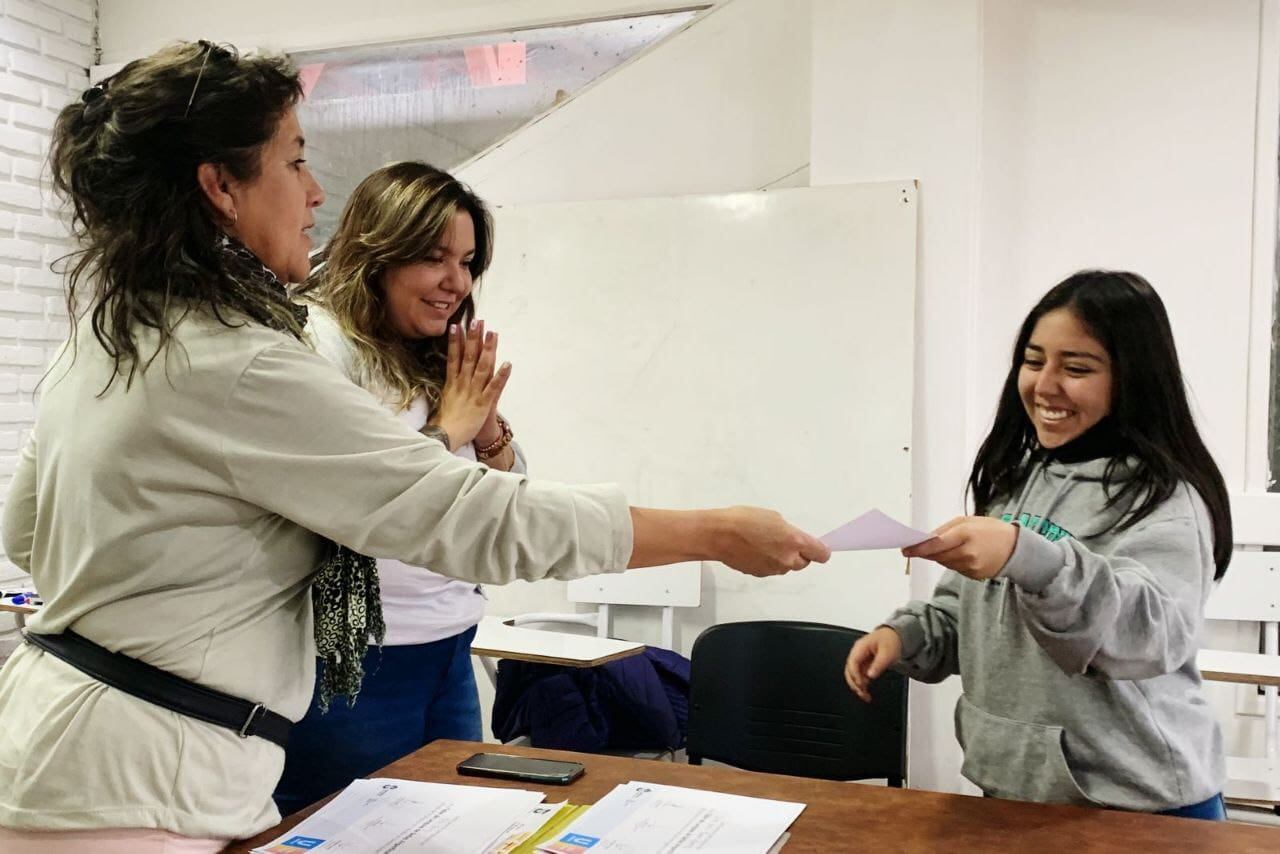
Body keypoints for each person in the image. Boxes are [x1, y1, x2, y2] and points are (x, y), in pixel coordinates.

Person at [0, 41, 828, 852]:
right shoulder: (248, 358)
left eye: (466, 263)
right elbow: (457, 516)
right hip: (145, 778)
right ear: (221, 186)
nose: (316, 192)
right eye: (294, 162)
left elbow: (27, 532)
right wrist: (714, 532)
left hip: (93, 747)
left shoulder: (114, 332)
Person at [846, 270, 1231, 820]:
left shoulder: (1164, 498)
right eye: (1033, 361)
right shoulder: (1015, 479)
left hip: (1140, 806)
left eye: (1076, 368)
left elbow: (1151, 638)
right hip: (1016, 791)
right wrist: (904, 635)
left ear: (1133, 378)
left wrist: (1029, 557)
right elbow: (968, 611)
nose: (1045, 385)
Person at [273, 162, 522, 814]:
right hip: (353, 659)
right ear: (378, 252)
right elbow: (360, 502)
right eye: (435, 258)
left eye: (468, 262)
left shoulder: (436, 352)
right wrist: (450, 427)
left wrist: (487, 426)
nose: (456, 283)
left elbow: (508, 502)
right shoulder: (315, 343)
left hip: (447, 644)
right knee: (345, 830)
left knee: (453, 824)